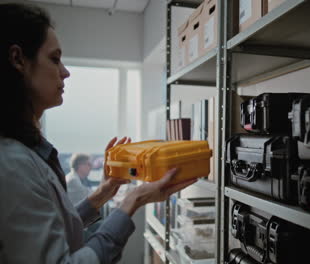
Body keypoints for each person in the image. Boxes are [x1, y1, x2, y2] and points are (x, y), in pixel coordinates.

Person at [0, 3, 196, 264]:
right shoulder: (11, 165)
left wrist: (105, 191)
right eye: (54, 59)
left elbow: (55, 227)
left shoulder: (26, 152)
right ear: (18, 59)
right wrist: (133, 201)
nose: (65, 72)